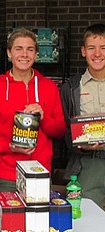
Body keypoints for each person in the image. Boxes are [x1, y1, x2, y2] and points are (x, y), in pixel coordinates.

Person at [0, 28, 66, 192]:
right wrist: (8, 146)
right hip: (7, 175)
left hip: (40, 173)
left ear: (36, 54)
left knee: (40, 218)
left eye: (30, 49)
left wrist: (44, 117)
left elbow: (60, 130)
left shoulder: (49, 88)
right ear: (9, 53)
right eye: (19, 49)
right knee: (9, 218)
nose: (24, 54)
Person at [60, 23, 105, 210]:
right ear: (83, 51)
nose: (97, 54)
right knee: (86, 215)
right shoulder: (71, 87)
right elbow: (65, 131)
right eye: (91, 48)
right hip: (89, 163)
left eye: (103, 48)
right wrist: (81, 146)